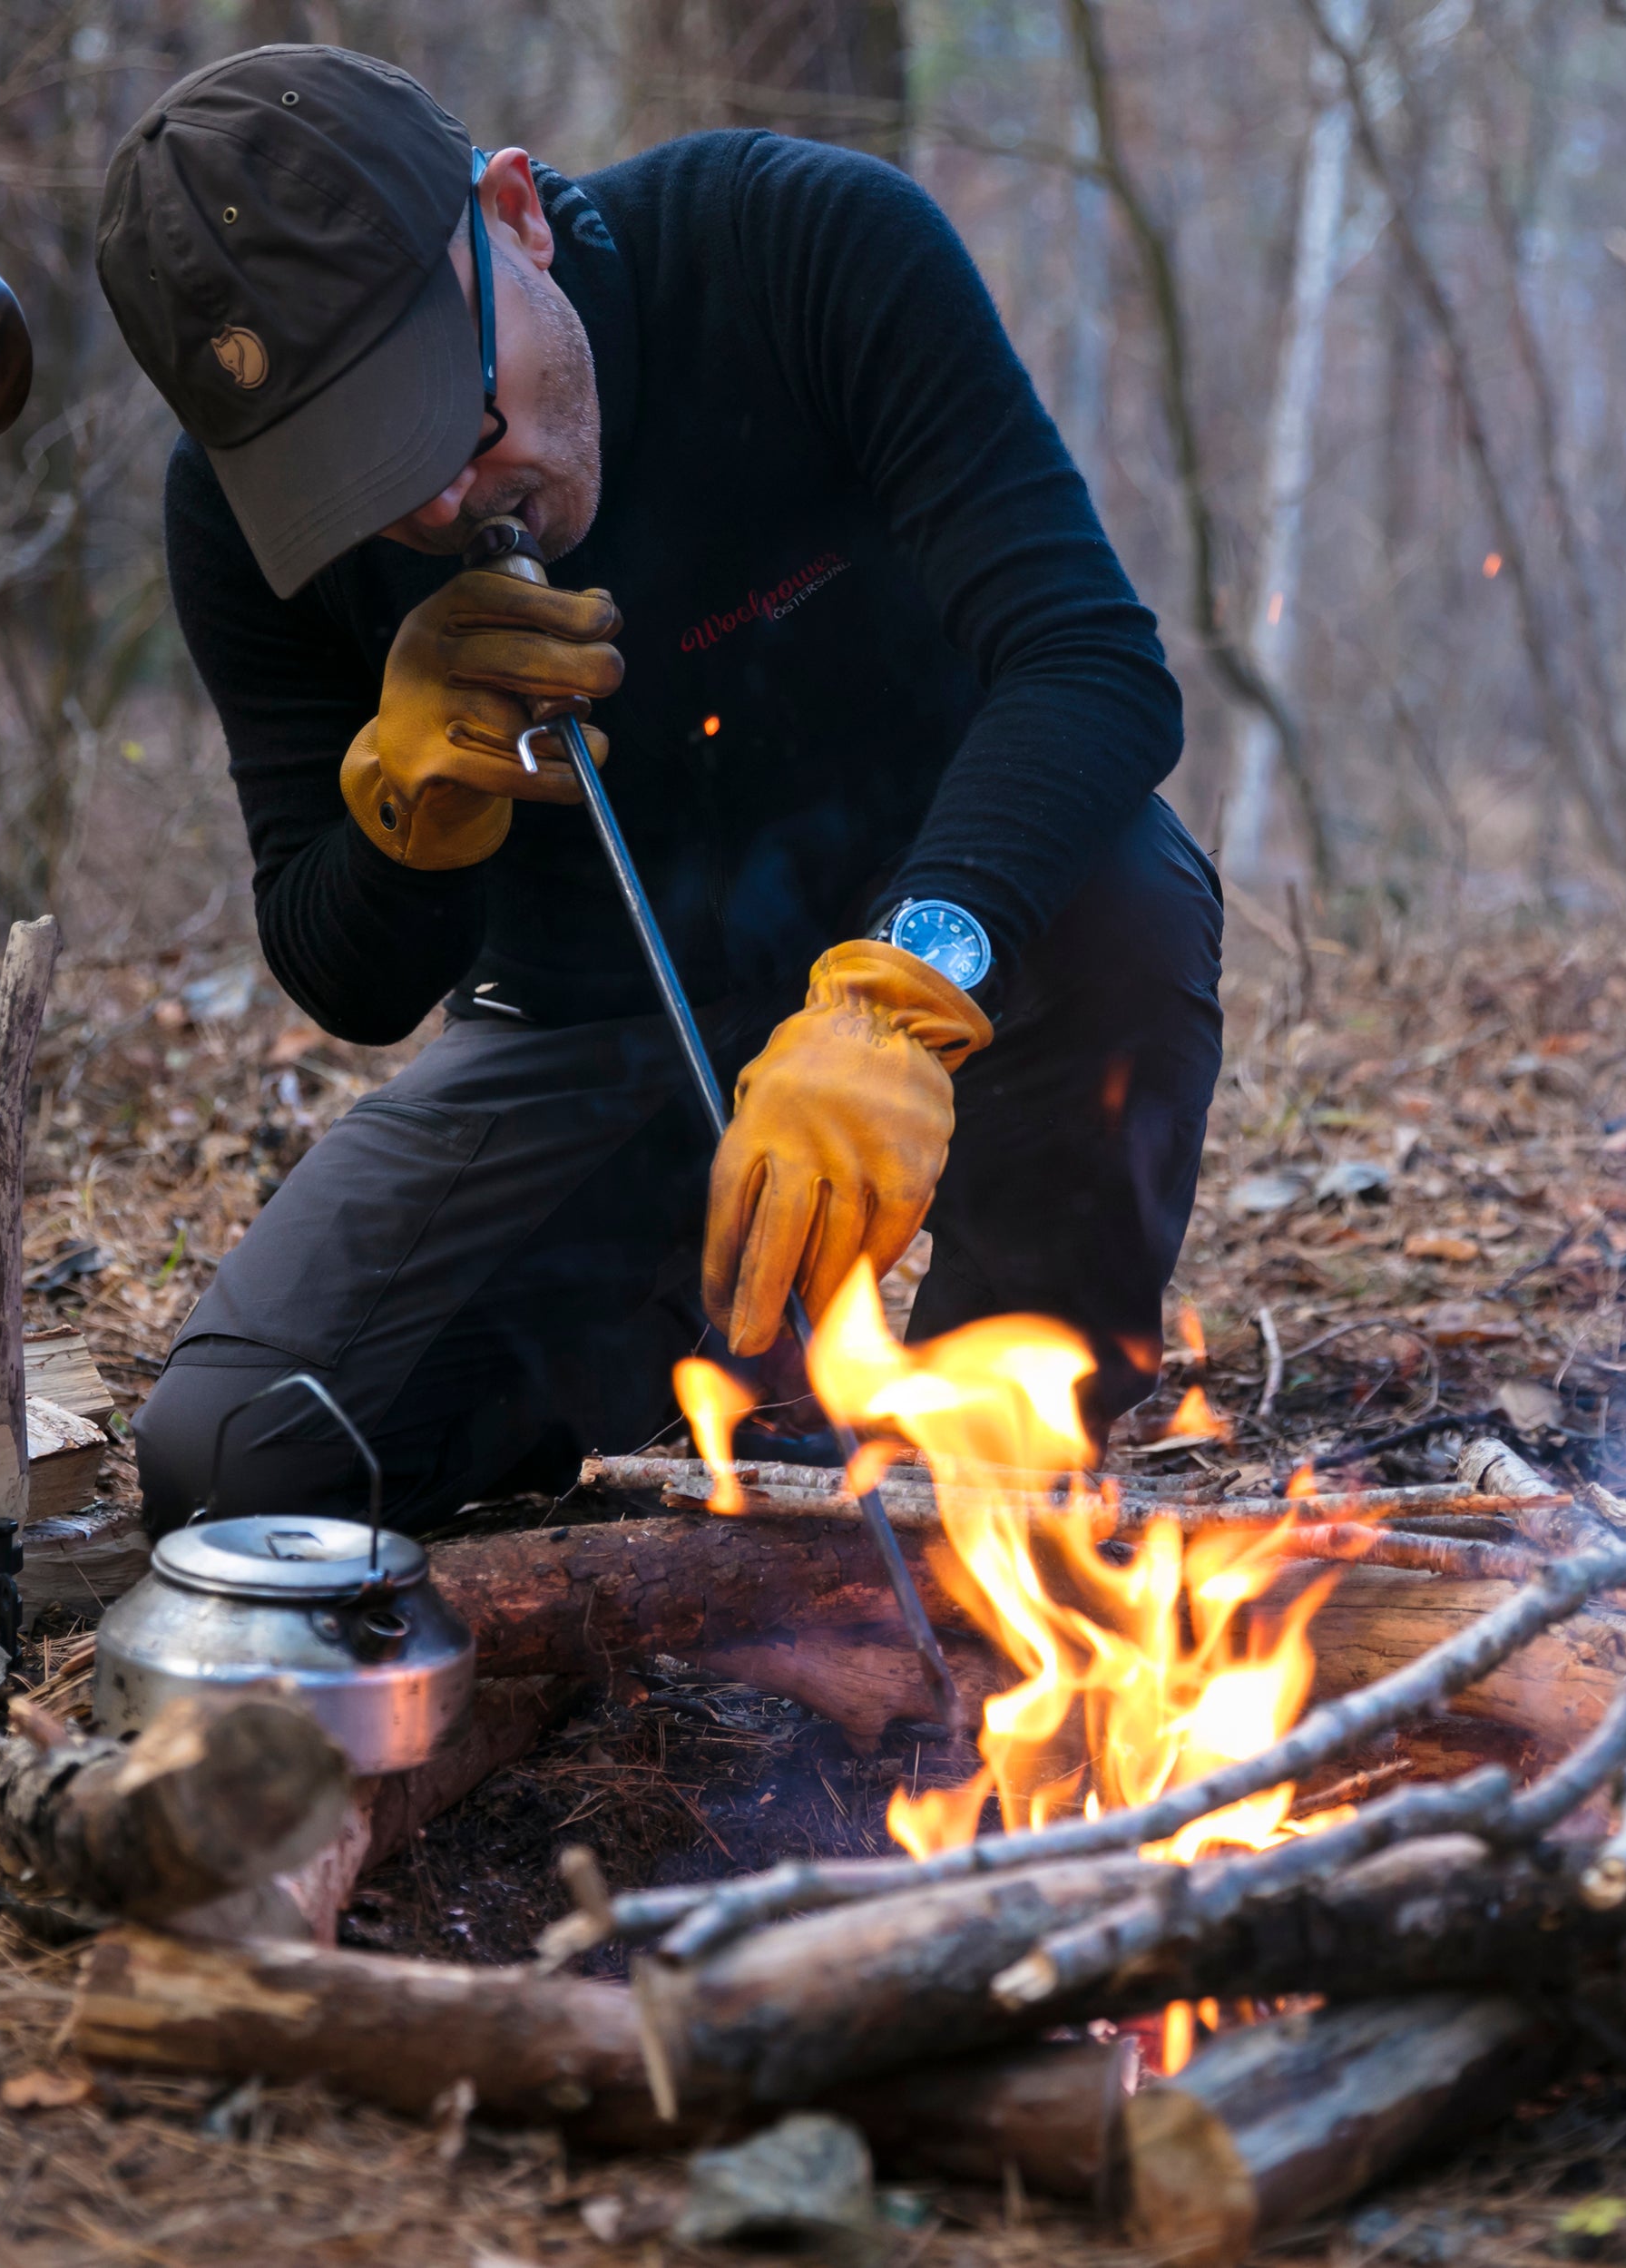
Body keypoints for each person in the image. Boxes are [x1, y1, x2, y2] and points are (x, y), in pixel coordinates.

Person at [95, 44, 1222, 1534]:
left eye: (455, 417)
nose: (438, 504)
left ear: (513, 218)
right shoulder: (240, 529)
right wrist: (405, 818)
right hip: (590, 1039)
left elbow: (1092, 662)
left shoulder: (793, 246)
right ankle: (712, 1399)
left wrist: (896, 991)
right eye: (360, 479)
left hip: (947, 960)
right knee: (238, 1460)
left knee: (1127, 894)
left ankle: (994, 1457)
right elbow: (350, 976)